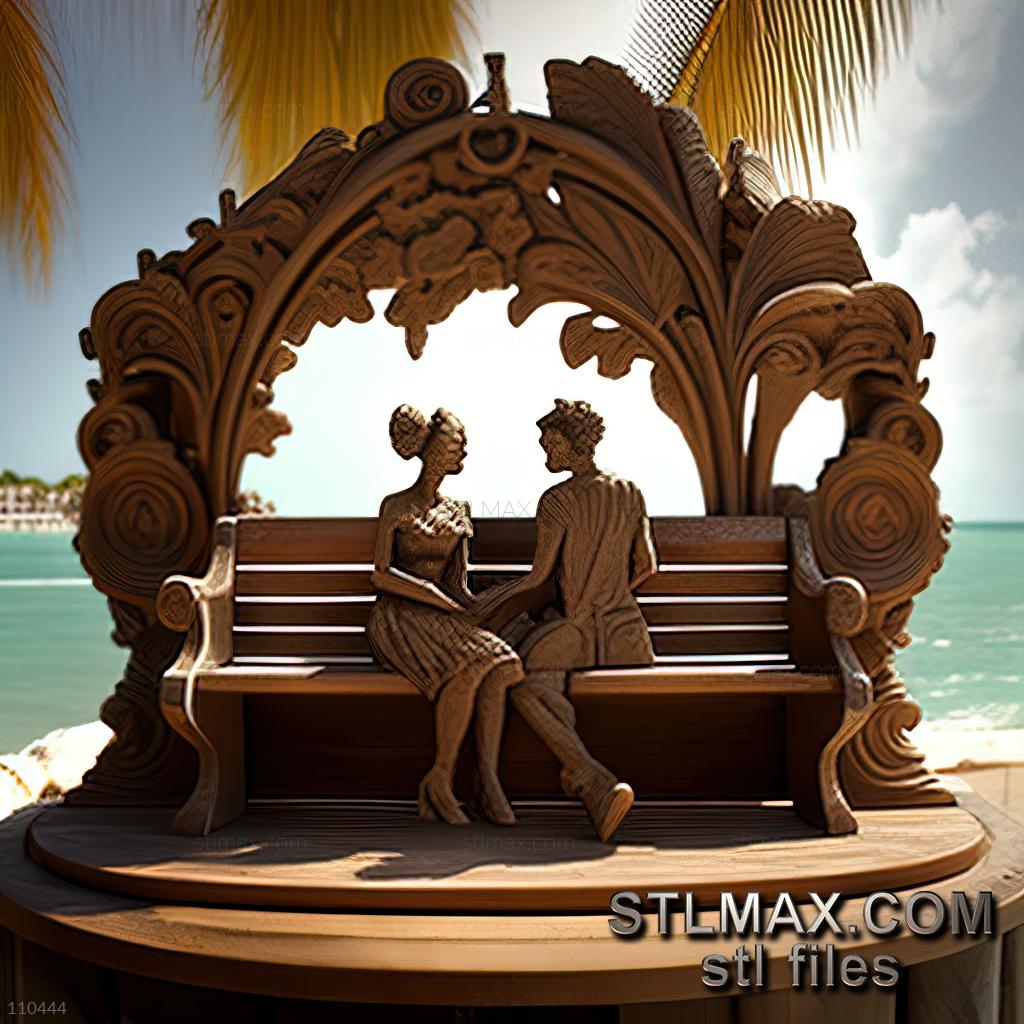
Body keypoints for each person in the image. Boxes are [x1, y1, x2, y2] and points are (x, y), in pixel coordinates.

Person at [474, 399, 657, 842]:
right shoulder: (629, 490)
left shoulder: (557, 500)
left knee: (524, 682)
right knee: (544, 668)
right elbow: (647, 565)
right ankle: (590, 786)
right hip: (628, 635)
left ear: (573, 443)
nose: (546, 453)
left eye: (550, 444)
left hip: (580, 633)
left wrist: (488, 602)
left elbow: (538, 578)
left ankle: (589, 778)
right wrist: (610, 593)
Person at [366, 405, 524, 826]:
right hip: (397, 618)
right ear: (436, 451)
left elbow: (458, 585)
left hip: (442, 617)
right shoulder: (395, 506)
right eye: (458, 446)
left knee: (501, 664)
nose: (463, 454)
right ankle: (441, 778)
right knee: (471, 664)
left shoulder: (459, 510)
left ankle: (486, 780)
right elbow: (381, 575)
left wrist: (497, 602)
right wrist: (432, 597)